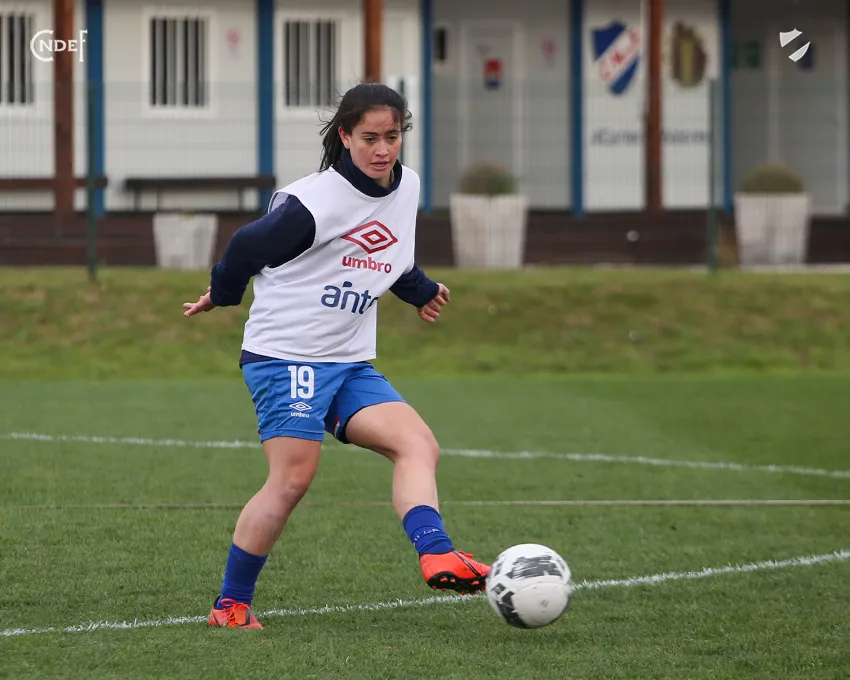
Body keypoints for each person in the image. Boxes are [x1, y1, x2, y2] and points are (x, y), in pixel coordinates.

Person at [182, 82, 490, 630]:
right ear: (345, 136)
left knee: (417, 444)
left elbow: (385, 252)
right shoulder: (312, 203)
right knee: (292, 479)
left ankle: (438, 553)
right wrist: (224, 293)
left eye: (392, 136)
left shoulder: (407, 185)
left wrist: (419, 289)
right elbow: (246, 247)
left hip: (347, 361)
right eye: (369, 138)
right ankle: (230, 606)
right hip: (286, 356)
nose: (382, 150)